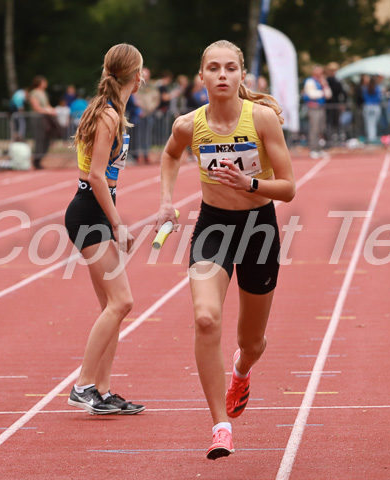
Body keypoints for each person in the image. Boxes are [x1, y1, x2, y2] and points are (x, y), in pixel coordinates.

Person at [156, 39, 295, 460]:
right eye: (213, 68)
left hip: (258, 230)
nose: (221, 75)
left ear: (241, 76)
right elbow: (169, 155)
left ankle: (241, 370)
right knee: (204, 318)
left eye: (230, 68)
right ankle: (220, 425)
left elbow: (288, 187)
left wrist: (249, 183)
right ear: (201, 76)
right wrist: (166, 200)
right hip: (213, 227)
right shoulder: (188, 124)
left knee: (251, 341)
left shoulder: (263, 119)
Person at [64, 43, 145, 416]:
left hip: (93, 211)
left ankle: (103, 390)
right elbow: (96, 176)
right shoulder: (109, 116)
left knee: (111, 305)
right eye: (142, 70)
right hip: (89, 213)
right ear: (135, 76)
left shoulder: (111, 111)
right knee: (123, 301)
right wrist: (117, 223)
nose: (144, 75)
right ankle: (83, 385)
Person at [28, 76, 61, 169]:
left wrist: (52, 110)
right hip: (38, 118)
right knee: (39, 138)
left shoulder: (43, 93)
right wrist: (48, 111)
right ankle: (36, 160)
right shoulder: (34, 93)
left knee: (47, 138)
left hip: (45, 118)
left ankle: (40, 158)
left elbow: (47, 105)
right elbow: (36, 107)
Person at [302, 64, 331, 158]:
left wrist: (324, 85)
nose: (320, 73)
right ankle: (313, 149)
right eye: (318, 71)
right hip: (313, 107)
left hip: (321, 107)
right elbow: (311, 94)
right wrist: (322, 93)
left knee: (321, 129)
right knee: (314, 129)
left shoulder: (322, 82)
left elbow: (329, 95)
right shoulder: (310, 81)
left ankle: (319, 149)